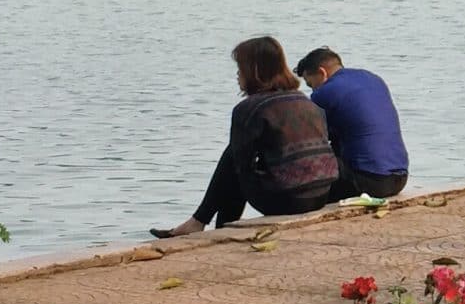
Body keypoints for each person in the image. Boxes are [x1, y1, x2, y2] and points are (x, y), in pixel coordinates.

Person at [153, 36, 340, 236]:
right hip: (321, 193)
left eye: (240, 68)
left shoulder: (249, 109)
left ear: (254, 72)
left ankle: (210, 226)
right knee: (236, 157)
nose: (237, 75)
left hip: (288, 200)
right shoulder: (306, 102)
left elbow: (241, 165)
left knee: (234, 160)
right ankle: (207, 224)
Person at [296, 47, 409, 200]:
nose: (313, 90)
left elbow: (308, 140)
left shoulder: (324, 93)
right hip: (400, 178)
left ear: (322, 73)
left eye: (311, 84)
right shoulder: (373, 79)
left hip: (370, 181)